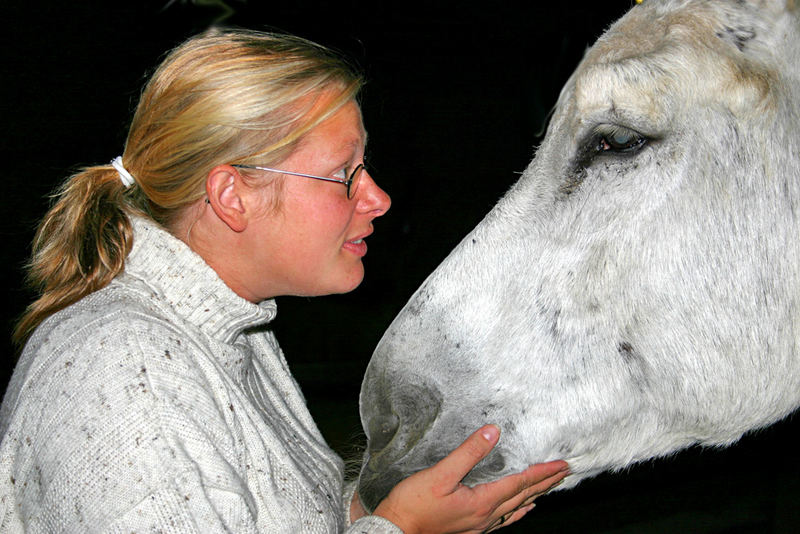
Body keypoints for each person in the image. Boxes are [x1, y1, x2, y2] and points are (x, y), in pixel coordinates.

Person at [0, 29, 568, 533]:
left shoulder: (230, 330)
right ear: (232, 196)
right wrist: (403, 530)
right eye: (343, 174)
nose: (378, 198)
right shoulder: (124, 374)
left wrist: (384, 513)